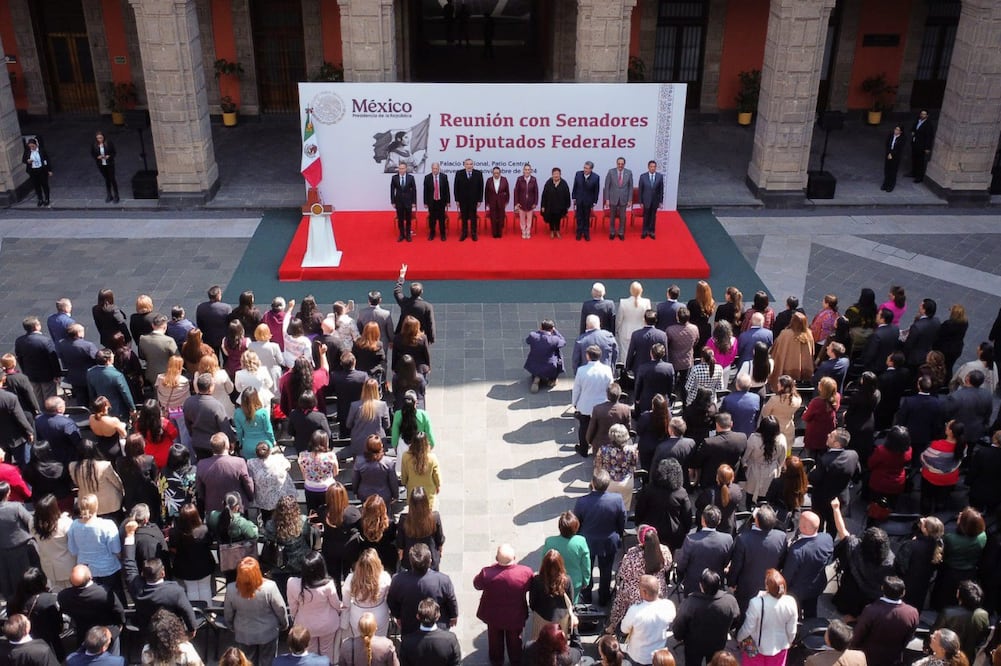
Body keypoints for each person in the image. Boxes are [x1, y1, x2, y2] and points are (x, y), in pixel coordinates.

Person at [121, 519, 196, 635]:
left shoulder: (136, 588)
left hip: (147, 631)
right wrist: (192, 629)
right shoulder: (175, 591)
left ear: (142, 574)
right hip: (172, 631)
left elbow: (129, 563)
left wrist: (130, 535)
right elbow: (187, 611)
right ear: (163, 573)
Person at [831, 498, 897, 618]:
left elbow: (842, 532)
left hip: (850, 591)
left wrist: (836, 509)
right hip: (873, 596)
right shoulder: (891, 560)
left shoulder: (855, 547)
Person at [472, 544, 533, 666]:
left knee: (494, 640)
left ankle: (496, 661)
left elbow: (477, 584)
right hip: (515, 615)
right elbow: (530, 587)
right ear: (514, 557)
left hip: (493, 615)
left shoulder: (487, 573)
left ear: (496, 558)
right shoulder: (525, 572)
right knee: (515, 640)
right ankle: (515, 661)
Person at [573, 468, 625, 606]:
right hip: (608, 541)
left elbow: (577, 522)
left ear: (592, 483)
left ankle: (587, 596)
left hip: (587, 541)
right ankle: (603, 597)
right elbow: (622, 521)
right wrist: (619, 534)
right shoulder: (617, 500)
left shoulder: (582, 501)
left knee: (586, 569)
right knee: (606, 570)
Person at [224, 557, 290, 666]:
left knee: (247, 662)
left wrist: (231, 626)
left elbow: (228, 612)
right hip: (268, 632)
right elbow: (280, 608)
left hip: (244, 633)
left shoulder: (231, 589)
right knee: (268, 662)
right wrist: (284, 624)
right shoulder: (270, 587)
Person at [608, 526, 672, 631]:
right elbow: (668, 566)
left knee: (621, 597)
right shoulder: (664, 550)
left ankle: (613, 625)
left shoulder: (633, 554)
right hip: (657, 588)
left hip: (636, 590)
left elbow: (623, 574)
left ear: (640, 540)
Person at [728, 504, 788, 615]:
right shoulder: (781, 537)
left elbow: (737, 565)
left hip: (747, 587)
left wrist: (731, 582)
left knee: (744, 615)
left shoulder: (743, 539)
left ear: (756, 521)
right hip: (770, 585)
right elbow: (782, 561)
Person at [387, 543, 458, 635]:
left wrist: (398, 616)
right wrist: (453, 616)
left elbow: (391, 601)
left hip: (410, 627)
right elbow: (451, 600)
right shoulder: (443, 580)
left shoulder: (398, 580)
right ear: (430, 561)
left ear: (411, 562)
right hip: (438, 627)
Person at [673, 568, 740, 666]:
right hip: (718, 643)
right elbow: (735, 619)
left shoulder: (690, 602)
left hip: (693, 644)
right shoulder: (730, 601)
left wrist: (678, 636)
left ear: (701, 585)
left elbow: (680, 624)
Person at [850, 576, 920, 666]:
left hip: (867, 658)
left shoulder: (871, 610)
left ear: (882, 588)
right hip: (893, 659)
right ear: (903, 593)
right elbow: (908, 638)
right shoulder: (912, 613)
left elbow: (857, 635)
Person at [286, 552, 342, 662]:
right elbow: (336, 605)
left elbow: (292, 607)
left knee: (310, 654)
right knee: (327, 653)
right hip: (327, 625)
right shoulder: (328, 585)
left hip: (305, 626)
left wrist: (295, 619)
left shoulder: (292, 583)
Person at [736, 569, 798, 666]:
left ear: (767, 586)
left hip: (754, 644)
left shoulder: (755, 602)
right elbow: (792, 630)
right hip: (779, 646)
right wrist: (790, 641)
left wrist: (739, 638)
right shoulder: (791, 601)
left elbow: (748, 628)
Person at [633, 457, 692, 551]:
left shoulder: (648, 490)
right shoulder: (681, 493)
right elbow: (687, 517)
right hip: (673, 534)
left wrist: (639, 525)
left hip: (650, 532)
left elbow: (640, 510)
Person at [784, 511, 835, 618]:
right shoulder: (827, 539)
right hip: (817, 585)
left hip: (797, 591)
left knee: (795, 613)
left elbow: (787, 575)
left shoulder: (797, 550)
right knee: (811, 610)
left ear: (803, 527)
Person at [809, 428, 860, 534]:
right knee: (833, 525)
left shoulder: (825, 460)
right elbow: (857, 474)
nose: (828, 435)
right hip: (841, 498)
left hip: (821, 499)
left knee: (819, 524)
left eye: (831, 436)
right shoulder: (853, 455)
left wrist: (813, 471)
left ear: (837, 444)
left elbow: (813, 479)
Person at [675, 505, 733, 595]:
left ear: (702, 520)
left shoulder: (691, 539)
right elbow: (727, 562)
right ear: (719, 521)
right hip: (715, 585)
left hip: (694, 587)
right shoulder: (727, 539)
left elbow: (682, 564)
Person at [620, 574, 677, 665]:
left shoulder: (635, 610)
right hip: (658, 657)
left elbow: (624, 629)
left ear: (645, 592)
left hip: (638, 656)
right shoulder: (669, 606)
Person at [195, 432, 254, 516]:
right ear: (227, 445)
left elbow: (200, 490)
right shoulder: (239, 462)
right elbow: (248, 484)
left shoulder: (201, 464)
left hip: (213, 510)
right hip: (236, 508)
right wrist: (250, 497)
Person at [167, 503, 216, 602]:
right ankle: (208, 613)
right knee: (205, 588)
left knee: (191, 590)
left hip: (185, 567)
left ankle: (195, 615)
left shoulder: (175, 532)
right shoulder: (204, 530)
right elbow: (210, 543)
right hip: (204, 565)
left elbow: (172, 547)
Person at [572, 345, 614, 456]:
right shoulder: (607, 370)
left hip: (585, 405)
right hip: (601, 404)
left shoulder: (581, 371)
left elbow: (577, 389)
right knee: (600, 427)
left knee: (584, 427)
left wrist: (574, 403)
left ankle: (583, 449)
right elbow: (610, 387)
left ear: (587, 356)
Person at [933, 581, 990, 664]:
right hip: (969, 658)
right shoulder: (984, 615)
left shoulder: (948, 613)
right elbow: (982, 638)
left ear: (959, 595)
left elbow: (936, 632)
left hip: (946, 657)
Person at [341, 548, 392, 638]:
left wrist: (344, 622)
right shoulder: (385, 577)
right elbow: (389, 599)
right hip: (380, 617)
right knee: (380, 646)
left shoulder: (350, 578)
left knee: (359, 645)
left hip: (357, 618)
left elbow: (346, 604)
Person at [541, 511, 591, 603]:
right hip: (575, 582)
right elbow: (586, 564)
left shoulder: (549, 541)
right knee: (571, 603)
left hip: (554, 580)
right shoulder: (581, 541)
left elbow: (544, 562)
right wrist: (586, 580)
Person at [527, 549, 575, 639]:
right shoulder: (567, 580)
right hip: (561, 617)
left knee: (540, 643)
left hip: (541, 615)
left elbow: (532, 601)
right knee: (559, 644)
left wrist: (534, 609)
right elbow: (570, 600)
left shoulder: (537, 580)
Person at [31, 494, 75, 592]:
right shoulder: (65, 523)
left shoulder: (33, 524)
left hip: (48, 567)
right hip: (67, 566)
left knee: (56, 593)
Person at [921, 419, 966, 515]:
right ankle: (938, 515)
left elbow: (924, 458)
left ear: (950, 432)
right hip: (950, 478)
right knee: (941, 500)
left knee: (926, 498)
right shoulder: (963, 445)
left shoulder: (936, 445)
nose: (945, 426)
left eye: (947, 425)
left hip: (931, 478)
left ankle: (925, 515)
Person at [399, 598, 461, 666]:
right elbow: (456, 663)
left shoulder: (407, 642)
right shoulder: (450, 640)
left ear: (418, 616)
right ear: (438, 616)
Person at [742, 416, 787, 506]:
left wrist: (744, 464)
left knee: (749, 498)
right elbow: (782, 459)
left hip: (753, 472)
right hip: (771, 473)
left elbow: (745, 457)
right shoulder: (781, 439)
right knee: (766, 499)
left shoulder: (753, 438)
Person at [593, 421, 637, 508]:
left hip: (607, 483)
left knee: (605, 507)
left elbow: (597, 466)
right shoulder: (632, 450)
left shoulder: (603, 450)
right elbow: (633, 465)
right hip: (625, 483)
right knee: (623, 508)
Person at [868, 425, 913, 506]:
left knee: (876, 504)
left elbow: (871, 464)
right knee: (892, 504)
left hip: (879, 482)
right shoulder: (908, 451)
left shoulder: (881, 451)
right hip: (897, 483)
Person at [695, 464, 744, 535]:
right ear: (732, 478)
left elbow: (697, 504)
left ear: (717, 478)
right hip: (728, 528)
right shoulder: (737, 490)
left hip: (710, 528)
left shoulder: (709, 493)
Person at [298, 430, 339, 513]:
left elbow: (304, 476)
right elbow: (336, 473)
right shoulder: (331, 456)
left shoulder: (302, 455)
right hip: (327, 488)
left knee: (312, 512)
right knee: (327, 512)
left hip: (310, 488)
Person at [353, 435, 399, 509]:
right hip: (384, 495)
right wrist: (395, 495)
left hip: (365, 495)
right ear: (380, 446)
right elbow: (393, 481)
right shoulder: (388, 462)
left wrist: (355, 492)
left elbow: (355, 479)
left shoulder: (359, 461)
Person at [400, 431, 441, 509]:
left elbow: (404, 477)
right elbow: (437, 476)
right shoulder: (432, 458)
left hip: (413, 494)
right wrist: (437, 486)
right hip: (428, 495)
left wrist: (404, 482)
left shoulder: (406, 456)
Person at [135, 399, 178, 469]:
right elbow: (174, 434)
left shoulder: (139, 424)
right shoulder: (164, 423)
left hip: (149, 457)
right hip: (166, 456)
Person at [524, 319, 565, 393]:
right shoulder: (554, 340)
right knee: (558, 354)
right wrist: (556, 332)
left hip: (534, 364)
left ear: (541, 327)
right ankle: (552, 379)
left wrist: (539, 332)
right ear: (552, 329)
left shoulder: (533, 335)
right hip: (549, 366)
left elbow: (527, 341)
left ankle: (537, 377)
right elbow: (563, 342)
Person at [761, 375, 802, 450]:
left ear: (783, 387)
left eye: (779, 384)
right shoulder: (798, 400)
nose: (777, 385)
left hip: (774, 429)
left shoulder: (774, 400)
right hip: (789, 430)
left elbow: (764, 413)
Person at [802, 376, 840, 453]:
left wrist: (805, 413)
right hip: (828, 433)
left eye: (821, 383)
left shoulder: (816, 402)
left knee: (812, 456)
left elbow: (806, 417)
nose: (819, 383)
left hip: (814, 436)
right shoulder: (837, 397)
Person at [617, 282, 652, 361]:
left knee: (625, 353)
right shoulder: (646, 302)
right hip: (641, 331)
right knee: (640, 353)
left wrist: (617, 329)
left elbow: (619, 319)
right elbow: (648, 317)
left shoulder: (623, 302)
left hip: (626, 331)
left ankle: (625, 370)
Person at [967, 431, 1001, 513]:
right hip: (997, 493)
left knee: (975, 512)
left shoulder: (982, 452)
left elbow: (973, 470)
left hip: (978, 490)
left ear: (994, 439)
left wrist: (968, 482)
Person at [721, 372, 761, 437]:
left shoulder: (728, 399)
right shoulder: (756, 398)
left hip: (732, 435)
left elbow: (722, 417)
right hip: (748, 434)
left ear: (736, 385)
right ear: (750, 385)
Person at [453, 157, 484, 241]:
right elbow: (456, 187)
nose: (469, 166)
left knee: (473, 217)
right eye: (467, 164)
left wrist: (479, 200)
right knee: (464, 217)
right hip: (462, 200)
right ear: (464, 165)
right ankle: (464, 233)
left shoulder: (478, 174)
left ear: (473, 165)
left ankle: (474, 233)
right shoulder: (459, 173)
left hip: (474, 200)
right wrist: (457, 200)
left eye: (471, 164)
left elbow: (481, 188)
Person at [603, 157, 633, 240]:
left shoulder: (629, 172)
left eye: (622, 164)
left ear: (624, 164)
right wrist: (607, 199)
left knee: (622, 217)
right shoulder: (611, 172)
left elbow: (630, 187)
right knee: (612, 217)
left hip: (624, 198)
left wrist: (630, 200)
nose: (620, 165)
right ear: (616, 163)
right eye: (619, 164)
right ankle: (612, 232)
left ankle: (621, 232)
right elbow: (607, 186)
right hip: (613, 198)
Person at [422, 161, 451, 241]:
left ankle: (443, 234)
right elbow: (425, 191)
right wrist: (425, 202)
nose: (435, 170)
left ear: (439, 168)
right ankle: (432, 233)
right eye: (433, 168)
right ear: (431, 169)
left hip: (441, 201)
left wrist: (448, 201)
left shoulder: (444, 177)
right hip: (432, 201)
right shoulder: (427, 177)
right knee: (432, 218)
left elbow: (447, 190)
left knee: (442, 218)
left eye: (436, 168)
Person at [572, 160, 600, 241]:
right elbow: (575, 186)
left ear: (591, 169)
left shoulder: (596, 177)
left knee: (586, 217)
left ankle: (586, 233)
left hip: (588, 201)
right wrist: (574, 197)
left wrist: (594, 201)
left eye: (587, 168)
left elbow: (596, 190)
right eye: (584, 168)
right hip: (579, 200)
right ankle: (579, 232)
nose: (585, 170)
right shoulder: (578, 174)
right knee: (579, 217)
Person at [540, 166, 571, 239]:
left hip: (560, 206)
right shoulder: (548, 183)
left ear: (560, 174)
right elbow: (544, 195)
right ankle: (551, 231)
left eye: (557, 174)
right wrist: (543, 206)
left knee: (557, 218)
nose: (556, 175)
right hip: (550, 206)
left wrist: (567, 205)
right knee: (551, 218)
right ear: (552, 174)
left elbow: (567, 194)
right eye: (554, 174)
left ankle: (557, 231)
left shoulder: (564, 183)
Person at [391, 163, 417, 242]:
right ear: (398, 169)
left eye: (403, 168)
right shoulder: (394, 178)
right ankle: (401, 234)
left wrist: (413, 202)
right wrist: (393, 201)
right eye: (400, 168)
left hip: (408, 201)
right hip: (398, 202)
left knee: (408, 219)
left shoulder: (411, 178)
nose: (401, 170)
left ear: (406, 169)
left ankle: (408, 235)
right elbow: (392, 190)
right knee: (400, 219)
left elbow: (414, 190)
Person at [21, 137, 52, 206]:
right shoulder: (27, 151)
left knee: (44, 185)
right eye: (30, 146)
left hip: (42, 170)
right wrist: (28, 161)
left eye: (33, 146)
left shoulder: (42, 150)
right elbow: (23, 160)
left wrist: (49, 170)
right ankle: (40, 199)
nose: (32, 148)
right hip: (33, 171)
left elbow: (47, 160)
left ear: (36, 145)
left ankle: (47, 199)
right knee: (36, 186)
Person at [638, 160, 664, 239]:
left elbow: (661, 190)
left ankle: (651, 231)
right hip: (646, 200)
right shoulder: (643, 176)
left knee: (653, 216)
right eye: (651, 167)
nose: (653, 168)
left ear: (656, 167)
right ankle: (644, 231)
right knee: (646, 216)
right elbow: (640, 190)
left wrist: (660, 201)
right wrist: (641, 202)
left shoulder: (660, 176)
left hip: (655, 201)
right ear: (648, 167)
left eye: (654, 167)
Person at [513, 163, 539, 239]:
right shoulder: (519, 179)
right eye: (525, 169)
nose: (527, 171)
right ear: (523, 171)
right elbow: (516, 191)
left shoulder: (534, 179)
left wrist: (535, 203)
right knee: (522, 219)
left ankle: (528, 232)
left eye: (528, 170)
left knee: (529, 219)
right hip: (521, 203)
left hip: (531, 203)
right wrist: (516, 202)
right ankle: (523, 231)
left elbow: (536, 192)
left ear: (530, 171)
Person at [484, 165, 509, 238]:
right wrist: (487, 203)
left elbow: (507, 191)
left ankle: (500, 232)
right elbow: (486, 192)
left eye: (497, 173)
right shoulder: (489, 180)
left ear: (500, 173)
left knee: (501, 217)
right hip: (492, 202)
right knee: (493, 217)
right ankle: (494, 233)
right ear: (492, 173)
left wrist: (506, 201)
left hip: (501, 202)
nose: (496, 174)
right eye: (494, 173)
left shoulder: (504, 180)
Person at [910, 108, 935, 182]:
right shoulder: (918, 120)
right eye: (921, 114)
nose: (922, 115)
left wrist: (927, 148)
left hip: (922, 146)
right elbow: (914, 128)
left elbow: (929, 137)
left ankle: (919, 177)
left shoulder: (928, 125)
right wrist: (912, 131)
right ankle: (913, 172)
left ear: (927, 116)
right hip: (915, 143)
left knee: (920, 161)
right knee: (914, 159)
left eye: (924, 114)